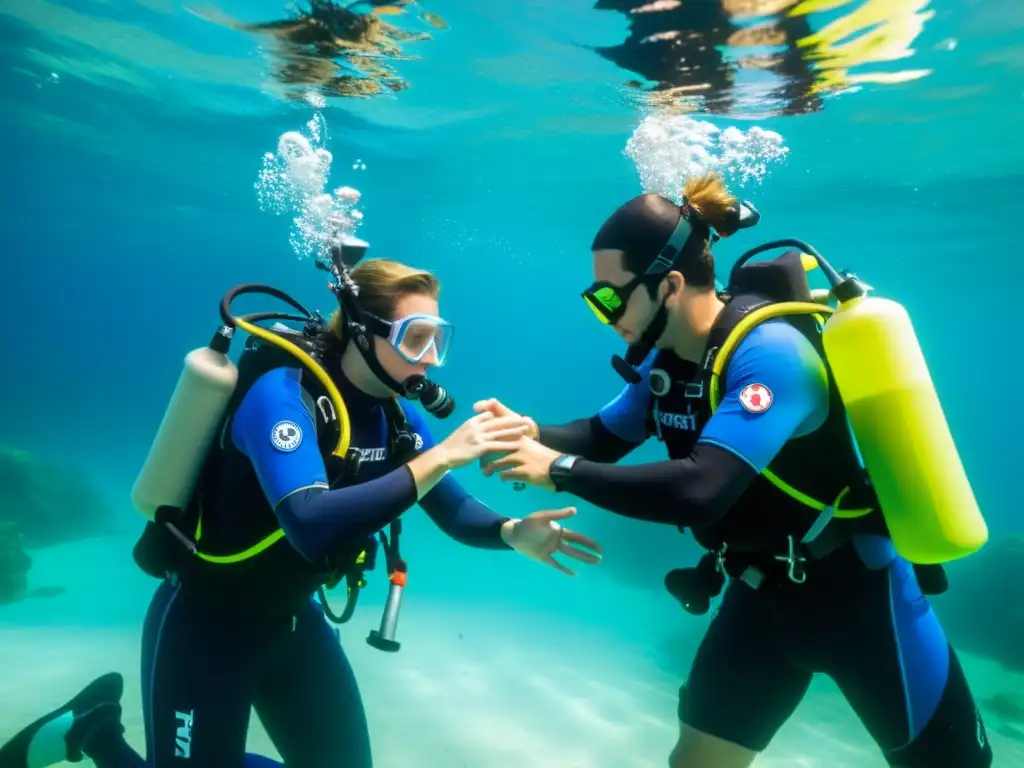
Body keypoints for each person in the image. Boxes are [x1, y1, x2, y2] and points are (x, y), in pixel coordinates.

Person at [0, 245, 601, 768]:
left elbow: (455, 511)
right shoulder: (280, 395)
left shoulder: (396, 414)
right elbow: (309, 524)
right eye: (417, 339)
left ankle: (102, 731)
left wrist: (514, 530)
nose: (430, 361)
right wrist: (442, 456)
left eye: (439, 339)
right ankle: (96, 733)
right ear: (363, 333)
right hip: (205, 623)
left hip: (293, 623)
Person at [473, 171, 993, 768]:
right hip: (758, 599)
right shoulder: (667, 363)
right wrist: (527, 430)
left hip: (862, 600)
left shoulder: (773, 353)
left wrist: (557, 469)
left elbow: (702, 490)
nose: (603, 312)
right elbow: (603, 437)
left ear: (669, 285)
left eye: (610, 296)